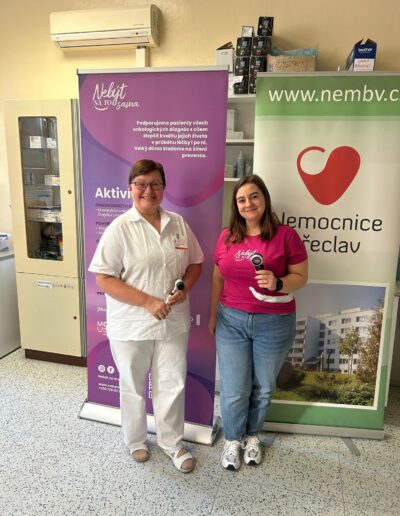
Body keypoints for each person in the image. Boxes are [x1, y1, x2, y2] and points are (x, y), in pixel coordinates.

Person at [89, 159, 203, 473]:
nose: (148, 191)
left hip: (173, 321)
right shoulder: (120, 228)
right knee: (132, 385)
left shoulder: (178, 223)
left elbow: (195, 263)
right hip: (131, 323)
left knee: (172, 383)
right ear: (130, 188)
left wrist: (185, 287)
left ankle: (172, 443)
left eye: (155, 184)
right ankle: (136, 441)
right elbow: (104, 278)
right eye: (141, 184)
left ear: (164, 188)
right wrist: (147, 302)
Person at [209, 174, 308, 471]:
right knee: (234, 388)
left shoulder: (286, 236)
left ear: (264, 199)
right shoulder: (227, 237)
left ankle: (252, 436)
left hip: (274, 322)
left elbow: (301, 277)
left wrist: (278, 283)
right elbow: (217, 278)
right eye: (241, 199)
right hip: (231, 320)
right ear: (236, 206)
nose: (248, 203)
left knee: (263, 387)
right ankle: (233, 439)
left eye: (254, 196)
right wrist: (213, 314)